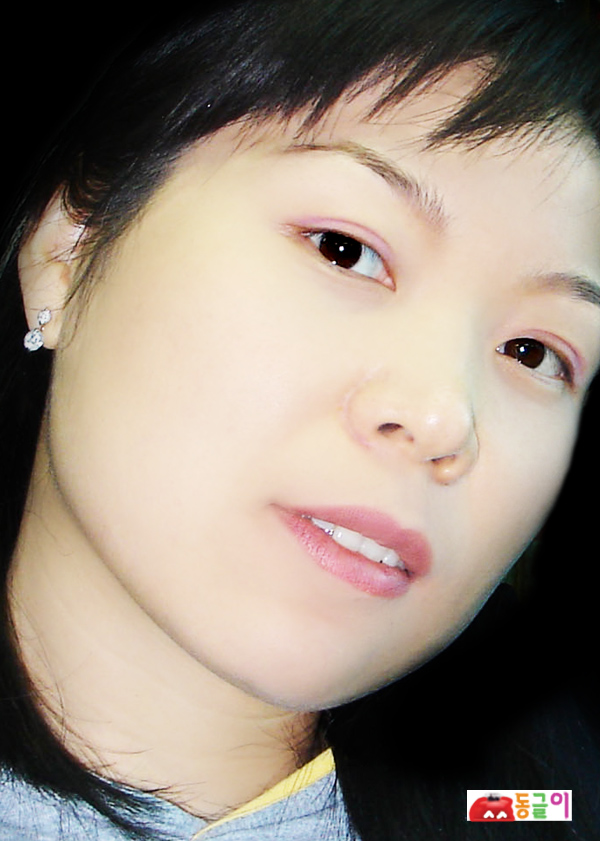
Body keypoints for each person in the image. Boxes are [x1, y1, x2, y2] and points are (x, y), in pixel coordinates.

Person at [0, 0, 599, 838]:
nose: (440, 415)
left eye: (534, 353)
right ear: (67, 243)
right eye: (343, 249)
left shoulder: (540, 809)